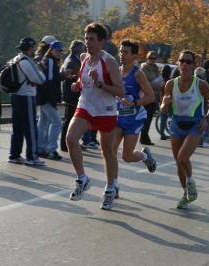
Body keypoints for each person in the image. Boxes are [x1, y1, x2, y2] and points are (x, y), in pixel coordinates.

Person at [66, 22, 125, 210]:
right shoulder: (83, 57)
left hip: (105, 110)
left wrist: (99, 84)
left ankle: (110, 189)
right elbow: (82, 81)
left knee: (107, 152)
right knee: (71, 138)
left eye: (91, 39)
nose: (87, 43)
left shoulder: (109, 62)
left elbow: (120, 91)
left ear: (101, 42)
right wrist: (77, 85)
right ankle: (82, 179)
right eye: (86, 39)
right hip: (85, 106)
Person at [161, 50, 209, 209]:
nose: (184, 64)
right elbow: (164, 110)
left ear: (194, 65)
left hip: (194, 125)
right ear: (178, 63)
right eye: (182, 61)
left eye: (188, 62)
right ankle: (186, 194)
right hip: (176, 125)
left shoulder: (200, 84)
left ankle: (191, 181)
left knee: (183, 158)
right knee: (178, 163)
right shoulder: (171, 84)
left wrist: (207, 119)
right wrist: (165, 103)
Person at [112, 39, 157, 199]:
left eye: (126, 52)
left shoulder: (138, 74)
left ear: (134, 56)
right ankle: (113, 186)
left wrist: (134, 102)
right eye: (121, 51)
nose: (122, 54)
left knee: (127, 157)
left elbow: (151, 97)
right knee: (111, 151)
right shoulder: (116, 71)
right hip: (118, 118)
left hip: (134, 118)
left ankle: (145, 157)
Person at [7, 37, 47, 165]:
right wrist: (41, 71)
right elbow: (40, 80)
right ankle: (32, 157)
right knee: (31, 128)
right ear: (30, 48)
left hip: (14, 95)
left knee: (17, 128)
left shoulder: (15, 59)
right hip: (26, 96)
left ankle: (14, 155)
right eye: (33, 47)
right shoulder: (27, 62)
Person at [36, 41, 73, 160]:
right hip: (47, 97)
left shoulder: (46, 60)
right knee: (56, 122)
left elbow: (51, 79)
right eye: (57, 50)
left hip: (41, 96)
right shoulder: (51, 62)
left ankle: (41, 148)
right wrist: (53, 101)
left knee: (43, 123)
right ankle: (51, 149)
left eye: (60, 51)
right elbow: (49, 83)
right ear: (51, 50)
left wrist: (62, 75)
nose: (59, 53)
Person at [60, 40, 86, 152]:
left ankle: (68, 143)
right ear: (80, 51)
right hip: (73, 95)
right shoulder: (75, 63)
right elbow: (79, 78)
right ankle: (66, 144)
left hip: (69, 94)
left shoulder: (68, 59)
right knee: (70, 120)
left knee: (69, 119)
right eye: (84, 50)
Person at [140, 51, 161, 145]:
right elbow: (145, 83)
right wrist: (157, 84)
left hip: (155, 97)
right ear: (147, 59)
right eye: (151, 58)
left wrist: (161, 84)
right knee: (146, 118)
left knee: (149, 118)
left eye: (154, 58)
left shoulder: (157, 69)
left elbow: (161, 80)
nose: (153, 60)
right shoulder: (144, 69)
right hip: (147, 96)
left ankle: (145, 136)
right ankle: (144, 137)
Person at [159, 64, 172, 140]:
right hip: (169, 100)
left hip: (162, 99)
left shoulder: (161, 79)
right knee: (171, 117)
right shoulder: (169, 81)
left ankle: (162, 133)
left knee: (163, 118)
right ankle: (171, 132)